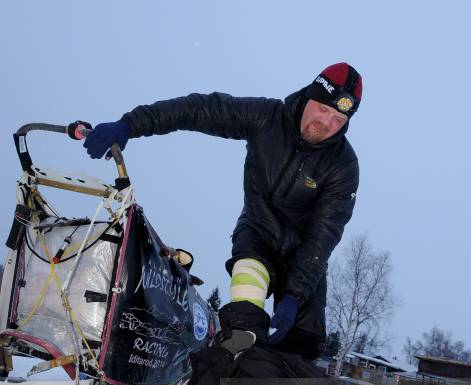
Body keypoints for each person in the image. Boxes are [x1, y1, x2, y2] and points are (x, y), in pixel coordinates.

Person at [84, 62, 362, 359]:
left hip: (306, 255)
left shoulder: (343, 165)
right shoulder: (266, 118)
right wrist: (130, 124)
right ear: (309, 95)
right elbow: (199, 110)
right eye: (323, 109)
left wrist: (295, 294)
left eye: (338, 119)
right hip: (257, 233)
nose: (327, 123)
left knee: (303, 345)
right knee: (244, 330)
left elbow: (324, 234)